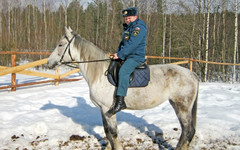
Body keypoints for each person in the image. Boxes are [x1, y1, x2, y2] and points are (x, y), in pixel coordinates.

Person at [106, 7, 147, 117]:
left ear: (135, 17)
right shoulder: (129, 28)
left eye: (129, 18)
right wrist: (118, 53)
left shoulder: (139, 28)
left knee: (123, 72)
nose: (127, 20)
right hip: (127, 56)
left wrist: (120, 55)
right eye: (126, 18)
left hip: (135, 57)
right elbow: (123, 43)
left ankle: (120, 101)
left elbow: (133, 44)